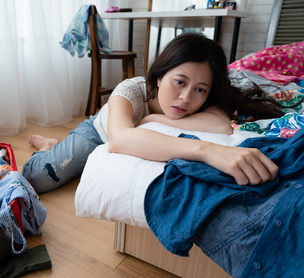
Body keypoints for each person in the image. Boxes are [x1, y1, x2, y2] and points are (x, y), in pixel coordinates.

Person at [22, 33, 287, 193]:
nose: (185, 98)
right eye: (180, 82)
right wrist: (206, 150)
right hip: (98, 132)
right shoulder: (131, 90)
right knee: (36, 179)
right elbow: (120, 140)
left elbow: (221, 126)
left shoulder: (203, 98)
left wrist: (152, 119)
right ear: (159, 76)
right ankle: (50, 145)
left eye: (200, 89)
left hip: (128, 130)